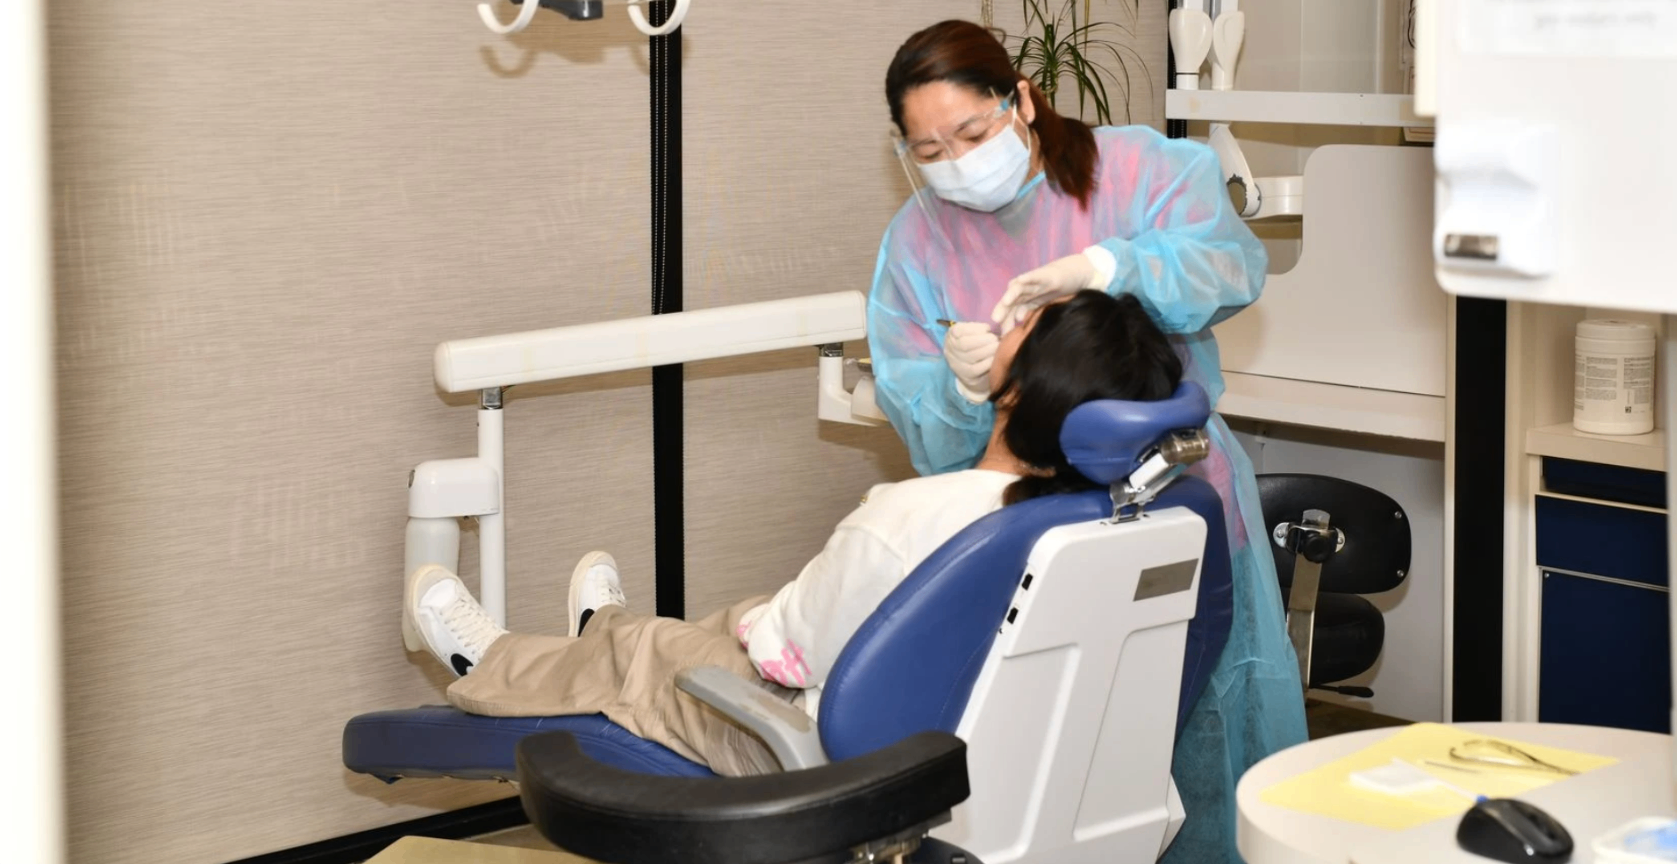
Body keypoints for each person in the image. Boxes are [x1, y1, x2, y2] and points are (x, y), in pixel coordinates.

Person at [405, 290, 1185, 777]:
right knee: (724, 618)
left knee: (647, 654)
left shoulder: (912, 519)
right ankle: (597, 630)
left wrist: (763, 626)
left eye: (1022, 326)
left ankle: (491, 659)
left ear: (1015, 391)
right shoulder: (1120, 525)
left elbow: (788, 644)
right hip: (973, 746)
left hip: (812, 754)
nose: (1001, 320)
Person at [869, 19, 1308, 862]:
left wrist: (1111, 268)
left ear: (1022, 100)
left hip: (1179, 494)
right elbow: (925, 430)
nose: (955, 160)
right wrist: (961, 387)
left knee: (1214, 733)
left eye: (970, 132)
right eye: (927, 149)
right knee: (1058, 762)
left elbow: (1231, 265)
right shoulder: (917, 243)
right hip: (1029, 520)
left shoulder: (1136, 169)